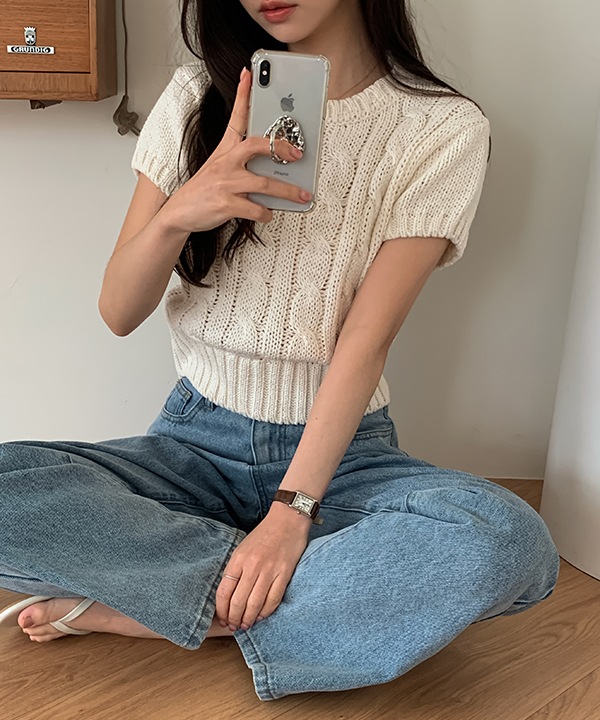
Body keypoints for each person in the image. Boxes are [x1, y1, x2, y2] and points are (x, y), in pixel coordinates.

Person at [0, 0, 559, 702]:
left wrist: (293, 511)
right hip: (192, 447)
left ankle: (175, 609)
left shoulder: (440, 127)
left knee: (509, 541)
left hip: (342, 459)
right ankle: (266, 599)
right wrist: (180, 212)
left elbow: (366, 341)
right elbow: (118, 311)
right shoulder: (197, 94)